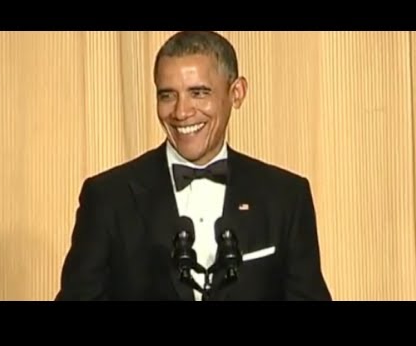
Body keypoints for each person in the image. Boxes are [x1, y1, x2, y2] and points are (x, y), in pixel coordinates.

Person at [54, 31, 332, 301]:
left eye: (198, 93)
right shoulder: (108, 197)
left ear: (236, 93)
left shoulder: (285, 197)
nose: (181, 112)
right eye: (167, 95)